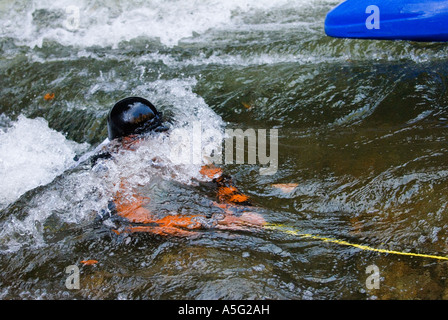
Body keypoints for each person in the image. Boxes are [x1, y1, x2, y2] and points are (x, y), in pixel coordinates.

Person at [94, 97, 265, 237]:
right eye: (146, 137)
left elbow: (215, 176)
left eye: (158, 133)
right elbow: (137, 219)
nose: (157, 140)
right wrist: (215, 221)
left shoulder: (164, 140)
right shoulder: (113, 170)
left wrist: (239, 206)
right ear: (125, 143)